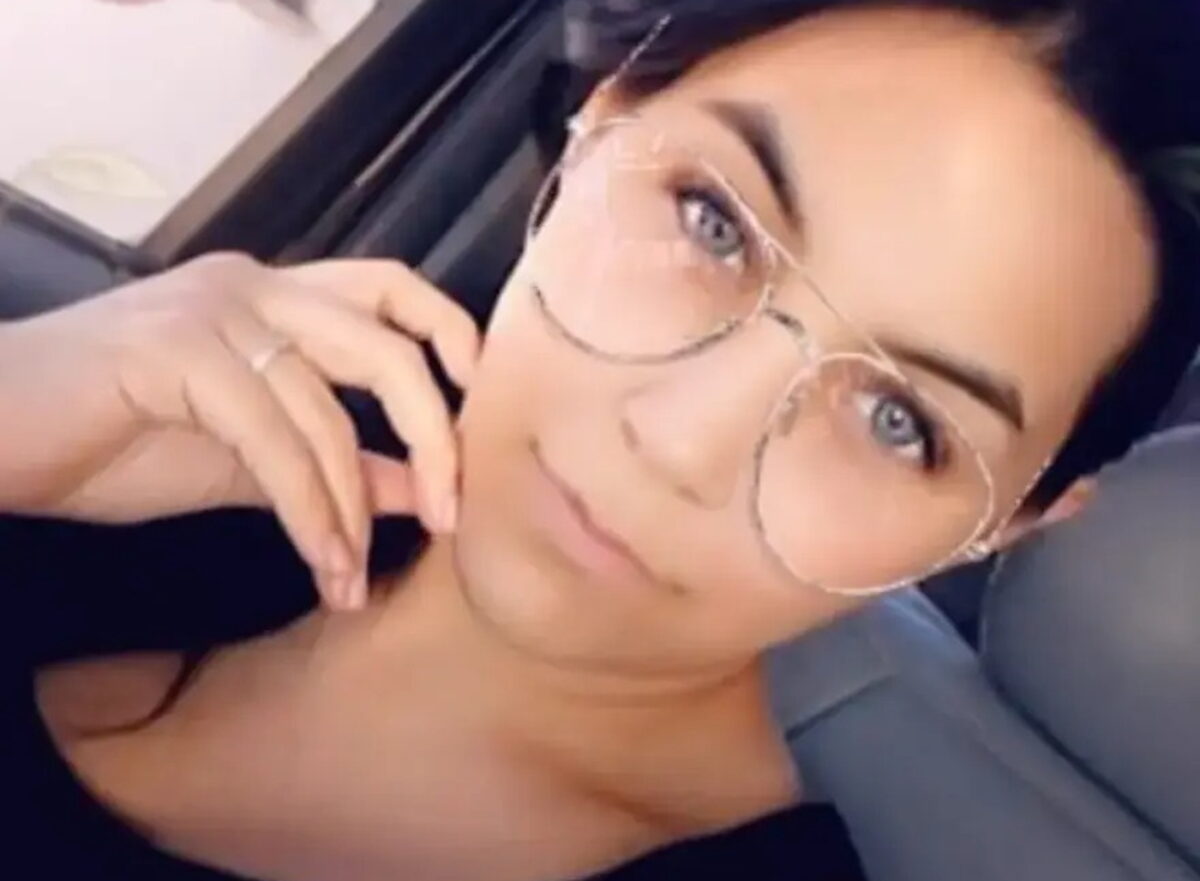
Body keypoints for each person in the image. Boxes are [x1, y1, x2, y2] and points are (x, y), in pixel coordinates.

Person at [5, 1, 1200, 880]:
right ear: (599, 119)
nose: (677, 443)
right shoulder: (195, 425)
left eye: (901, 422)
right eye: (711, 221)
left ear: (1008, 523)